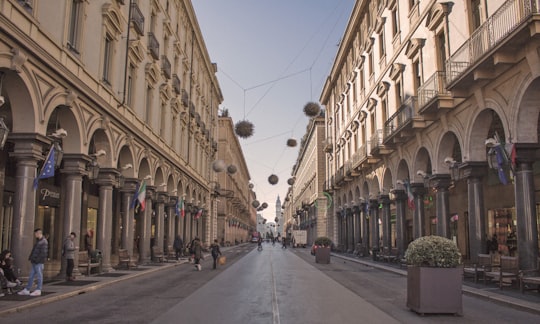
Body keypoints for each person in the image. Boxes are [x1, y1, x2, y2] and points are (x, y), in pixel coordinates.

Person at [18, 228, 48, 297]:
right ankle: (27, 289)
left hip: (38, 262)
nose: (35, 235)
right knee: (31, 276)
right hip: (35, 261)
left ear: (38, 233)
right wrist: (32, 258)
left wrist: (37, 260)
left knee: (39, 276)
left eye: (35, 233)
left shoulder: (43, 241)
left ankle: (38, 290)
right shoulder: (39, 241)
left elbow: (43, 253)